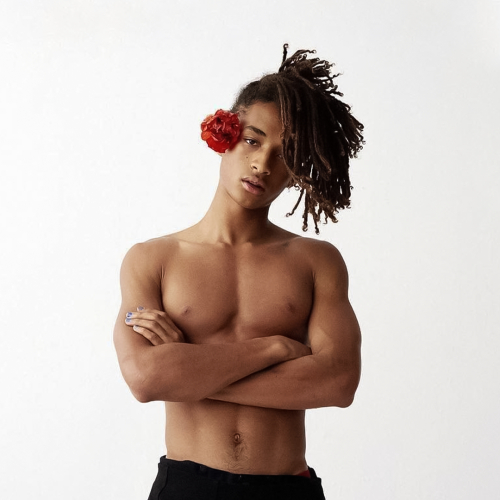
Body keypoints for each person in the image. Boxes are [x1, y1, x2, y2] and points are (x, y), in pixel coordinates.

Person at [114, 45, 364, 500]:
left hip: (287, 489)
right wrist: (274, 347)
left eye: (284, 154)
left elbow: (339, 382)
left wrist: (189, 370)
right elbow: (146, 379)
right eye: (253, 140)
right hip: (186, 487)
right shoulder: (152, 259)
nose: (263, 164)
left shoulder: (316, 261)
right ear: (223, 135)